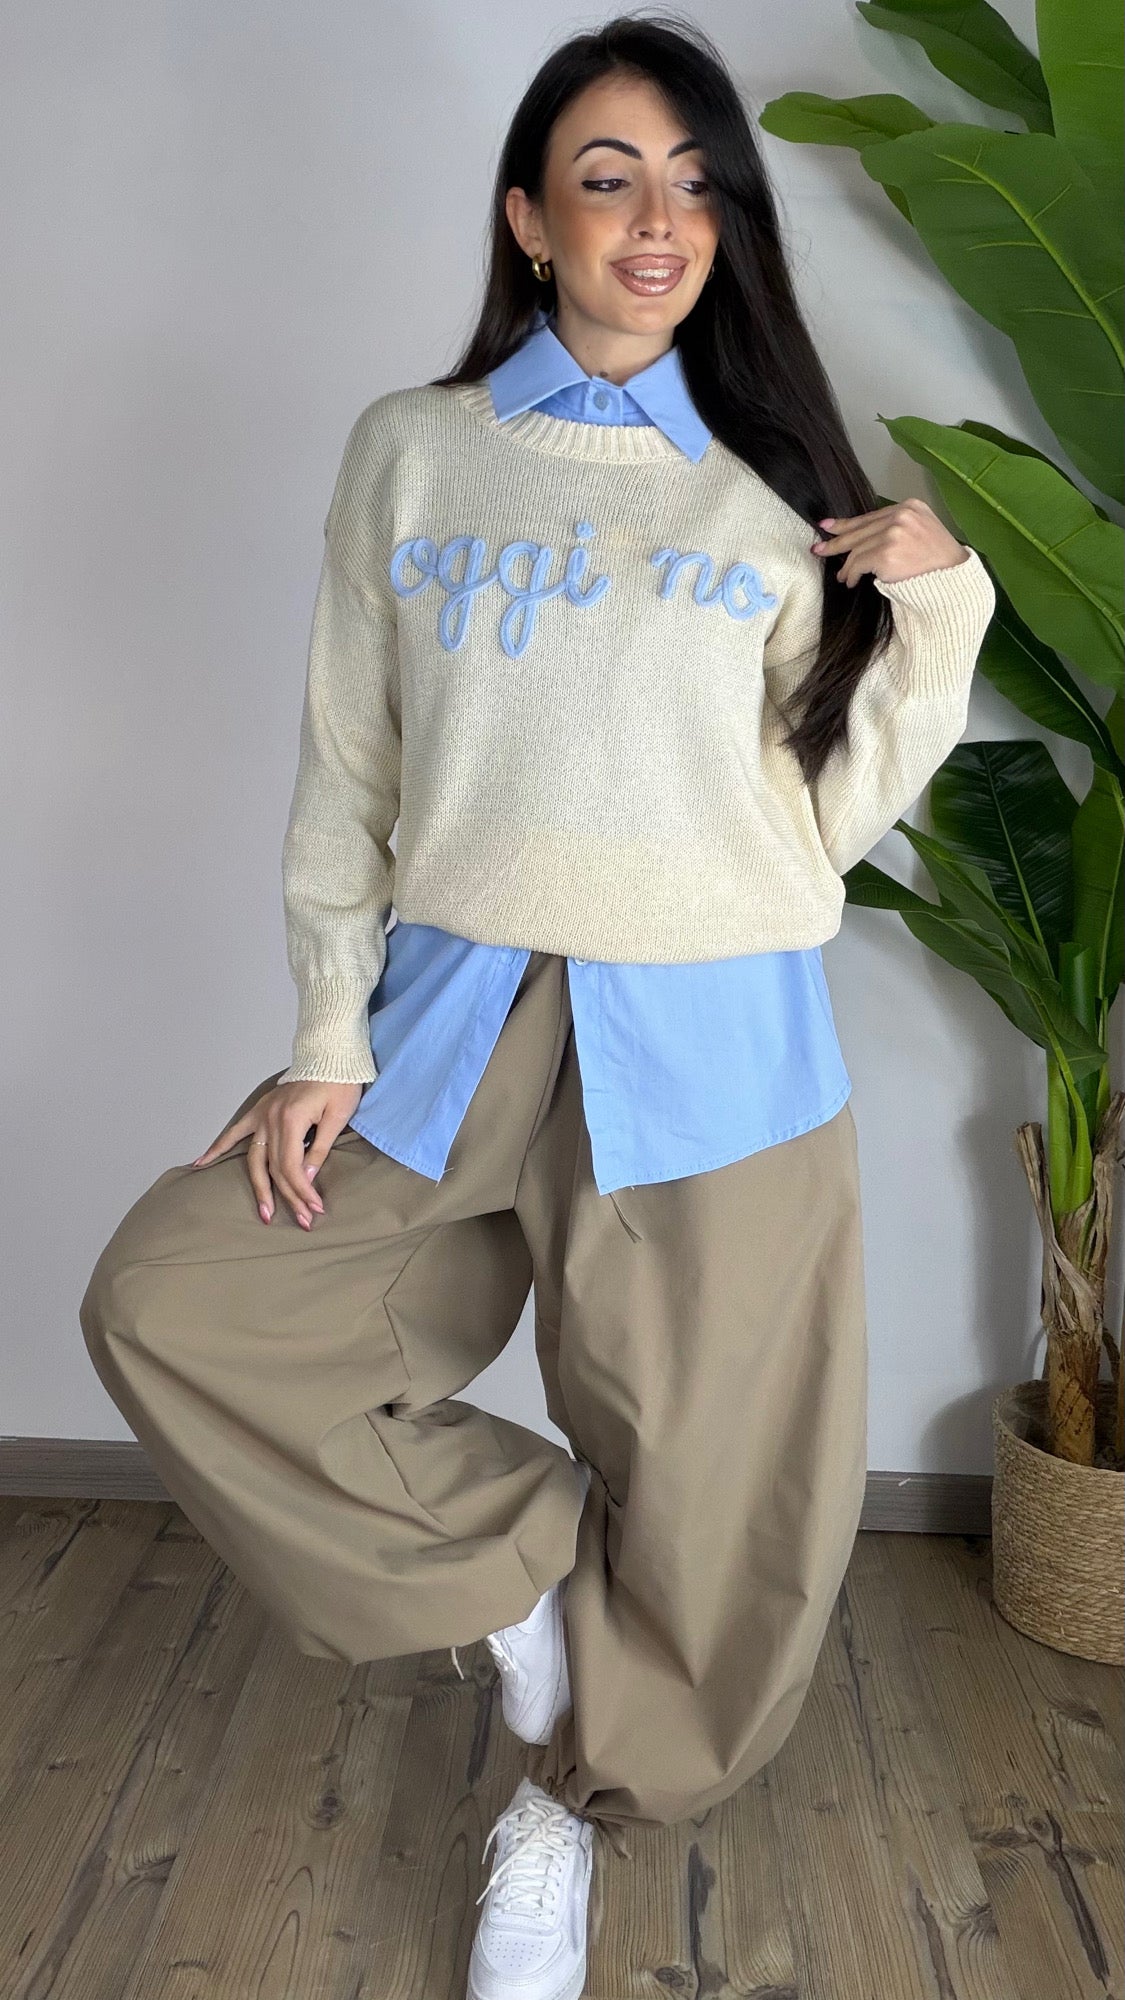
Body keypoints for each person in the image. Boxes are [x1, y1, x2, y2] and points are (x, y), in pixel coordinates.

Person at [78, 15, 996, 2000]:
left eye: (691, 182)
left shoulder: (771, 493)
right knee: (178, 1303)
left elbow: (819, 827)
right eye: (606, 177)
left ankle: (565, 1814)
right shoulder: (412, 449)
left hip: (716, 1034)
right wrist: (326, 1034)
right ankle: (517, 1593)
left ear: (724, 225)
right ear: (526, 217)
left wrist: (937, 615)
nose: (654, 219)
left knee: (719, 1496)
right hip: (455, 1008)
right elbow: (348, 771)